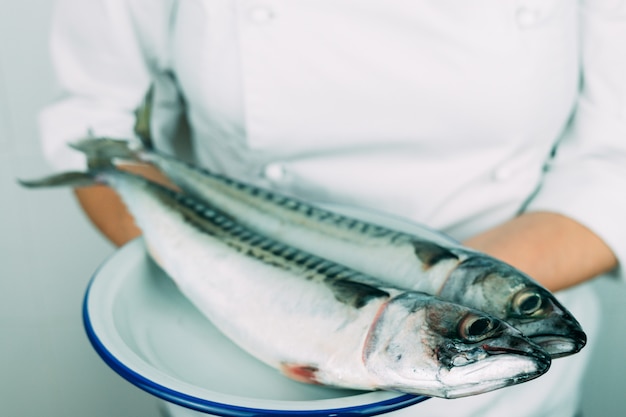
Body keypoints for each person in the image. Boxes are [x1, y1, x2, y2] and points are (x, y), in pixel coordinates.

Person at [40, 1, 624, 416]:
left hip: (503, 402)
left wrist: (437, 322)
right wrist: (219, 277)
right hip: (231, 375)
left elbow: (614, 165)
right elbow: (96, 111)